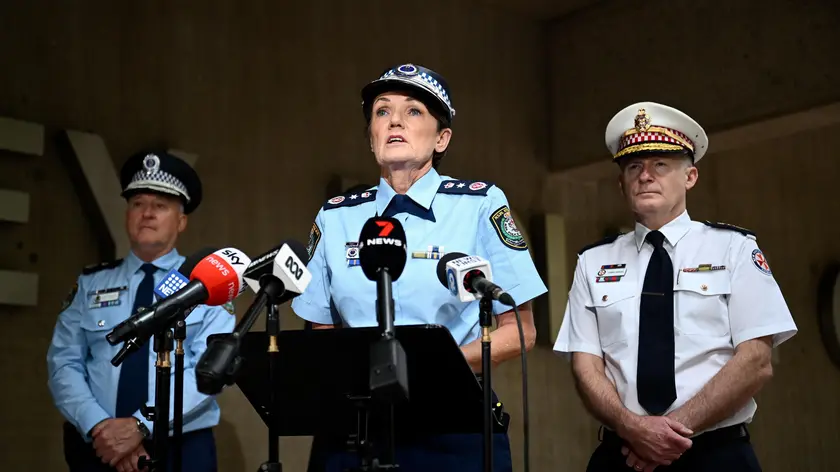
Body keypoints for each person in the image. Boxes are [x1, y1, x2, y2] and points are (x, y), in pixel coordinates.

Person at [292, 63, 548, 472]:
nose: (394, 120)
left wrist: (422, 370)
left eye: (413, 111)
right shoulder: (335, 217)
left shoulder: (479, 205)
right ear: (371, 138)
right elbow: (323, 330)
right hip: (355, 424)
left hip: (450, 422)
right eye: (382, 111)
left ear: (442, 137)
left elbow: (520, 333)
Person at [553, 102, 798, 472]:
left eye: (661, 165)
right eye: (634, 166)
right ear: (621, 183)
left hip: (715, 454)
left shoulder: (733, 249)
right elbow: (586, 365)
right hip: (623, 455)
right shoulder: (593, 262)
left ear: (690, 177)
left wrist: (668, 434)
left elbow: (756, 361)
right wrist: (633, 429)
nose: (645, 176)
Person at [47, 150, 235, 472]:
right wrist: (100, 427)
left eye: (160, 206)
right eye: (137, 204)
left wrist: (139, 426)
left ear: (181, 221)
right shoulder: (91, 284)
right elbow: (64, 362)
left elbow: (207, 372)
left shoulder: (207, 284)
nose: (146, 213)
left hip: (181, 448)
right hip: (98, 448)